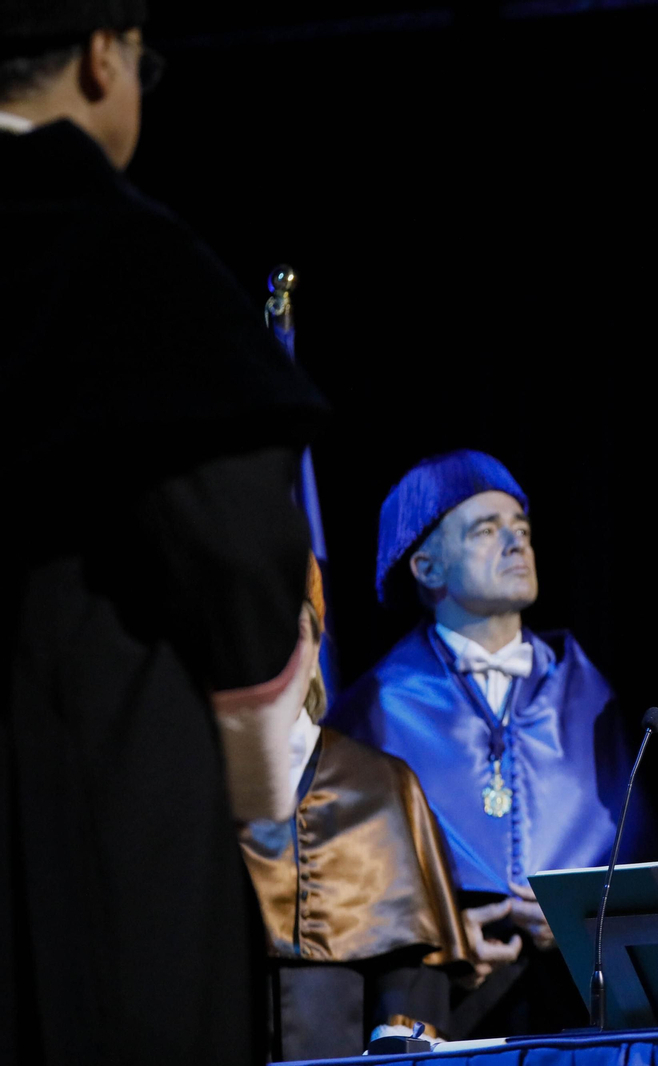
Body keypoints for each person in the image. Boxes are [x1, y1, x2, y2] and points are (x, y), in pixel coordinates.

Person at [0, 2, 328, 1063]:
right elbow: (229, 533)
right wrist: (253, 757)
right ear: (103, 58)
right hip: (80, 778)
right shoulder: (102, 246)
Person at [327, 449, 653, 1035]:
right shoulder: (379, 706)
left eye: (522, 529)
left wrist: (584, 918)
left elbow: (633, 847)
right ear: (426, 567)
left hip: (577, 993)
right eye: (486, 528)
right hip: (440, 994)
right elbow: (347, 872)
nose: (516, 542)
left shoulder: (587, 693)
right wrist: (436, 938)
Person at [240, 558, 470, 1060]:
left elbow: (414, 977)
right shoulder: (187, 790)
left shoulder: (382, 786)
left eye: (289, 634)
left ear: (315, 644)